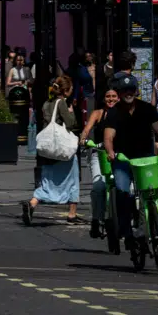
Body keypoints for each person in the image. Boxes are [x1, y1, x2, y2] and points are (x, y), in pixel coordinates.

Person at [102, 73, 158, 248]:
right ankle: (126, 230)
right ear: (119, 93)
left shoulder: (147, 109)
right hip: (123, 160)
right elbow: (108, 137)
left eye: (131, 89)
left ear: (136, 91)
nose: (128, 93)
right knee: (123, 191)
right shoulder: (114, 112)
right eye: (125, 90)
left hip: (145, 159)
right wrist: (110, 152)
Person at [25, 76, 81, 225]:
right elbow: (70, 123)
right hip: (62, 148)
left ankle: (33, 203)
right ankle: (72, 213)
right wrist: (71, 111)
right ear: (66, 90)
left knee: (47, 180)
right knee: (73, 179)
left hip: (49, 149)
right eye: (71, 89)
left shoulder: (46, 103)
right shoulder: (61, 103)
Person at [79, 87, 121, 238]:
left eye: (114, 96)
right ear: (104, 99)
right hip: (100, 153)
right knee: (99, 186)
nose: (111, 99)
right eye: (108, 96)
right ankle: (96, 219)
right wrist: (83, 139)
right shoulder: (97, 113)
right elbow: (87, 129)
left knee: (128, 188)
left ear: (119, 98)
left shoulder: (123, 113)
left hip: (120, 155)